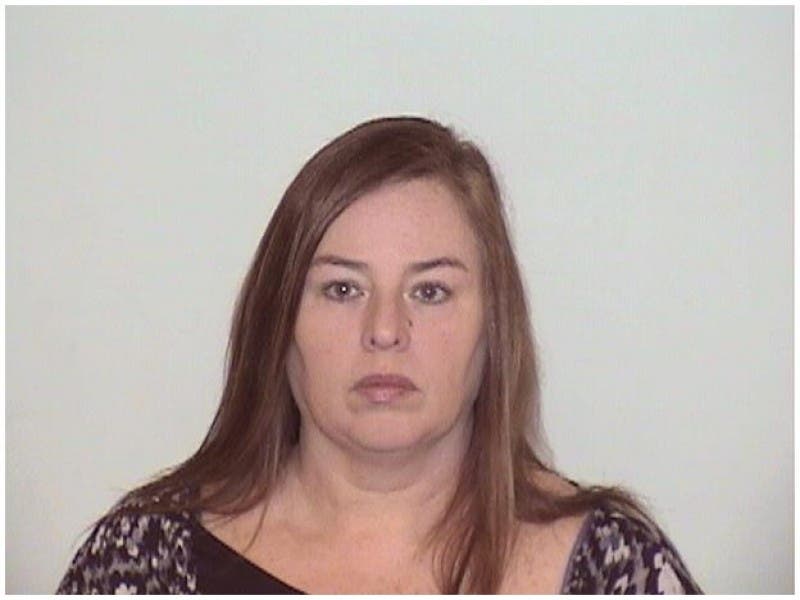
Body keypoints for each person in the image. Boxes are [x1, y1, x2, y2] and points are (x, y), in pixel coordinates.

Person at [57, 116, 702, 594]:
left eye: (431, 291)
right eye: (342, 289)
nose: (386, 330)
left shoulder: (613, 569)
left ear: (494, 326)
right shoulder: (147, 562)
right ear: (278, 323)